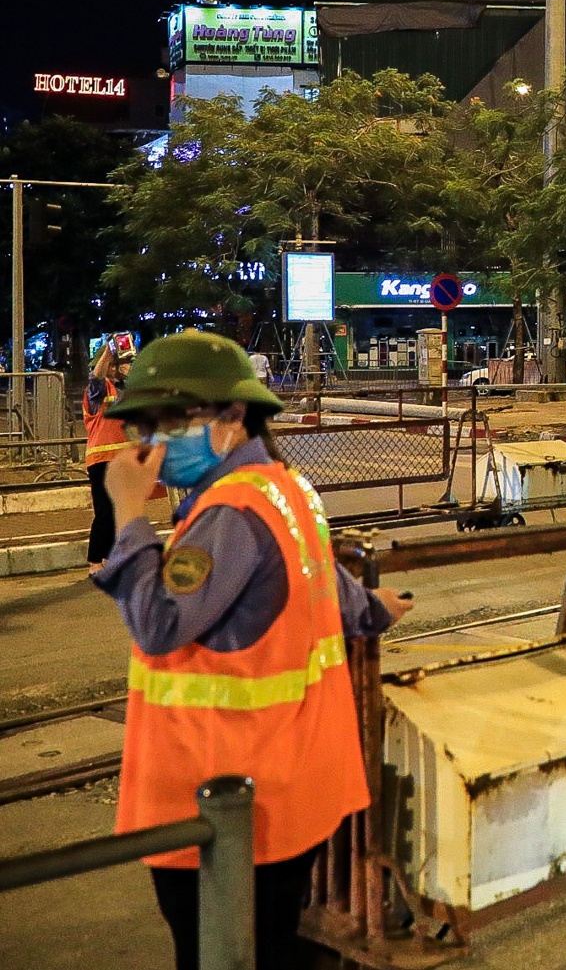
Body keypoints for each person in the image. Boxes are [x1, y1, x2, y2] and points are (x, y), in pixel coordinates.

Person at [91, 330, 414, 970]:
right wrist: (380, 610)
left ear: (234, 419)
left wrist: (127, 512)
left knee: (225, 954)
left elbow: (157, 623)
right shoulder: (286, 491)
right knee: (274, 949)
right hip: (294, 791)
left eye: (172, 419)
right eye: (143, 424)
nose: (152, 439)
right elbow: (336, 596)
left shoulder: (230, 514)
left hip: (227, 803)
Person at [83, 342, 136, 572]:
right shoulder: (99, 390)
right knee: (104, 512)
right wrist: (108, 352)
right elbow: (96, 378)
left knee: (119, 511)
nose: (128, 367)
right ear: (112, 366)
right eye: (124, 363)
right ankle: (95, 561)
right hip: (101, 459)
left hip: (122, 459)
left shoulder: (126, 390)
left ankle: (109, 557)